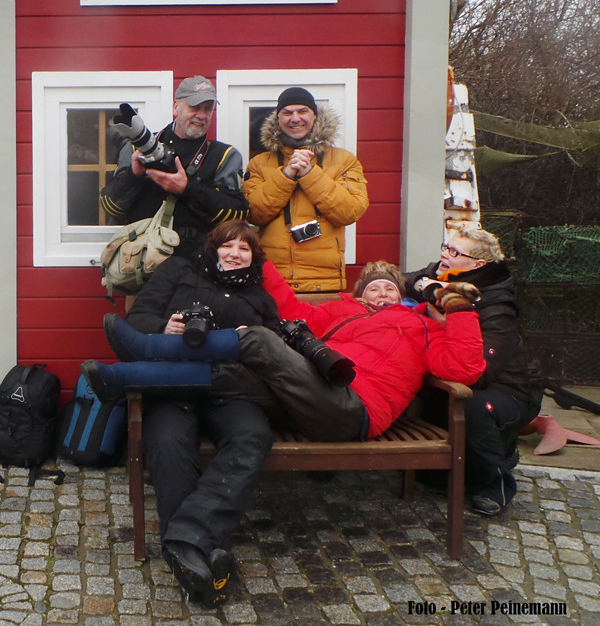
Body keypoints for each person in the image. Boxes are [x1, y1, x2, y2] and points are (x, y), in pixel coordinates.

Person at [83, 220, 280, 607]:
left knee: (253, 436)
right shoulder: (178, 271)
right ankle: (197, 556)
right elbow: (137, 322)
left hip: (230, 392)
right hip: (171, 390)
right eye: (228, 245)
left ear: (254, 258)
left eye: (245, 248)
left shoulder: (260, 296)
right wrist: (164, 329)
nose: (235, 253)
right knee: (168, 443)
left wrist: (248, 339)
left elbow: (274, 347)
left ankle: (185, 539)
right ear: (212, 246)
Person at [85, 258, 487, 447]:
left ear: (403, 297)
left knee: (257, 339)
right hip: (314, 394)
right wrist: (260, 258)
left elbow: (465, 367)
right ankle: (121, 379)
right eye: (373, 288)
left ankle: (149, 348)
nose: (382, 294)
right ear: (359, 294)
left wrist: (460, 309)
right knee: (231, 376)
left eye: (390, 289)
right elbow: (293, 312)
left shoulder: (422, 326)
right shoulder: (341, 311)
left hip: (354, 408)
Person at [404, 227, 544, 516]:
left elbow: (480, 371)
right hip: (458, 376)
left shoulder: (497, 306)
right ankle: (452, 468)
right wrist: (428, 287)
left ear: (478, 264)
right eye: (445, 246)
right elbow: (406, 279)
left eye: (454, 252)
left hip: (510, 391)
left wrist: (448, 324)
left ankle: (496, 484)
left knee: (474, 405)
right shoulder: (442, 272)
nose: (445, 253)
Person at [101, 75, 249, 259]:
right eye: (194, 107)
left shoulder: (225, 155)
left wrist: (187, 188)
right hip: (143, 264)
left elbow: (236, 214)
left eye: (208, 109)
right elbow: (111, 207)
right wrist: (134, 175)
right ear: (175, 107)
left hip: (197, 267)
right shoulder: (137, 147)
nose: (202, 115)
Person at [243, 86, 369, 292]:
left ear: (315, 116)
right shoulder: (259, 163)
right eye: (287, 112)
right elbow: (254, 213)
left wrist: (310, 173)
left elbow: (350, 210)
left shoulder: (344, 160)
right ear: (277, 118)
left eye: (302, 111)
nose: (295, 118)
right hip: (273, 280)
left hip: (324, 282)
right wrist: (287, 174)